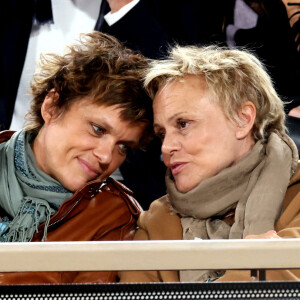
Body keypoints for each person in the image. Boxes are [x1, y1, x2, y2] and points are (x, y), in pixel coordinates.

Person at [119, 45, 300, 283]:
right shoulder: (156, 223)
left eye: (183, 124)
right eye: (162, 133)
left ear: (242, 120)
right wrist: (257, 267)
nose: (166, 147)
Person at [0, 31, 153, 284]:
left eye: (123, 147)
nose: (106, 157)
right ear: (51, 106)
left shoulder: (112, 215)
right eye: (98, 129)